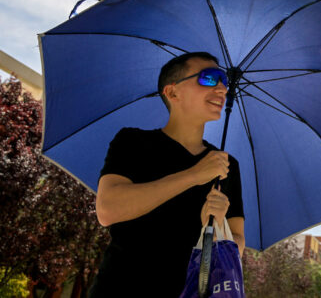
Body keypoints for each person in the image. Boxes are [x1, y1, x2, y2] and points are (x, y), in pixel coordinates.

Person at [88, 52, 245, 297]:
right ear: (172, 93)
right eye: (210, 78)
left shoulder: (226, 165)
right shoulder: (132, 141)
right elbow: (107, 209)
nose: (223, 88)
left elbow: (238, 244)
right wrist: (193, 175)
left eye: (223, 80)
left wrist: (218, 224)